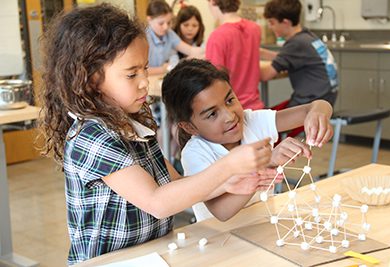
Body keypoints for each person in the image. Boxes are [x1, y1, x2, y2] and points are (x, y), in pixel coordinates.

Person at [38, 4, 273, 264]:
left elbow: (174, 185)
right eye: (131, 74)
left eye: (145, 69)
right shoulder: (92, 136)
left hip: (150, 254)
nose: (144, 82)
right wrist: (227, 167)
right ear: (91, 80)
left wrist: (227, 184)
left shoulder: (134, 126)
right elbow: (157, 202)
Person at [162, 59, 333, 222]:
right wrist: (267, 163)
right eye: (212, 114)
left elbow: (314, 107)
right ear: (189, 127)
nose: (230, 116)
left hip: (265, 226)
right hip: (221, 241)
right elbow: (221, 211)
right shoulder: (195, 152)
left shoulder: (251, 121)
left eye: (230, 100)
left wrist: (318, 113)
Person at [260, 0, 338, 108]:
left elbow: (265, 75)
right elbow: (285, 56)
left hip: (310, 106)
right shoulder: (306, 35)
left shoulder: (296, 44)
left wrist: (243, 59)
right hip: (324, 100)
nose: (269, 26)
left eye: (272, 22)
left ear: (286, 22)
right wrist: (260, 52)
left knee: (264, 121)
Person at [206, 0, 265, 110]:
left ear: (213, 2)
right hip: (256, 108)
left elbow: (213, 82)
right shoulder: (255, 29)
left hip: (232, 112)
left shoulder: (217, 37)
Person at [146, 0, 204, 75]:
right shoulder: (144, 38)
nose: (166, 27)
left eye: (169, 23)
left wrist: (210, 49)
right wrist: (162, 69)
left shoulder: (170, 34)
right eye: (161, 23)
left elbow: (190, 50)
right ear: (149, 20)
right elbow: (139, 70)